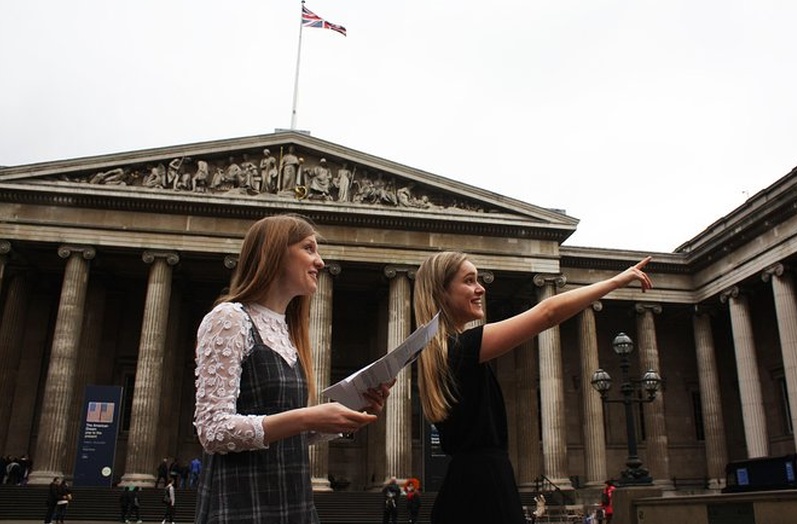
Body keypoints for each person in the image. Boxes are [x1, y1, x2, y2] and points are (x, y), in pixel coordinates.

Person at [413, 252, 653, 524]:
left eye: (478, 280)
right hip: (486, 489)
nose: (481, 288)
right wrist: (618, 281)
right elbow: (547, 313)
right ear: (441, 293)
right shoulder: (461, 349)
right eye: (469, 281)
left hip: (462, 487)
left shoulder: (440, 355)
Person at [193, 213, 393, 523]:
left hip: (293, 499)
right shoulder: (229, 319)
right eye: (309, 248)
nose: (320, 262)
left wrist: (346, 412)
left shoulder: (287, 331)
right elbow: (212, 430)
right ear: (275, 252)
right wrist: (306, 416)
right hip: (243, 500)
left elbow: (285, 429)